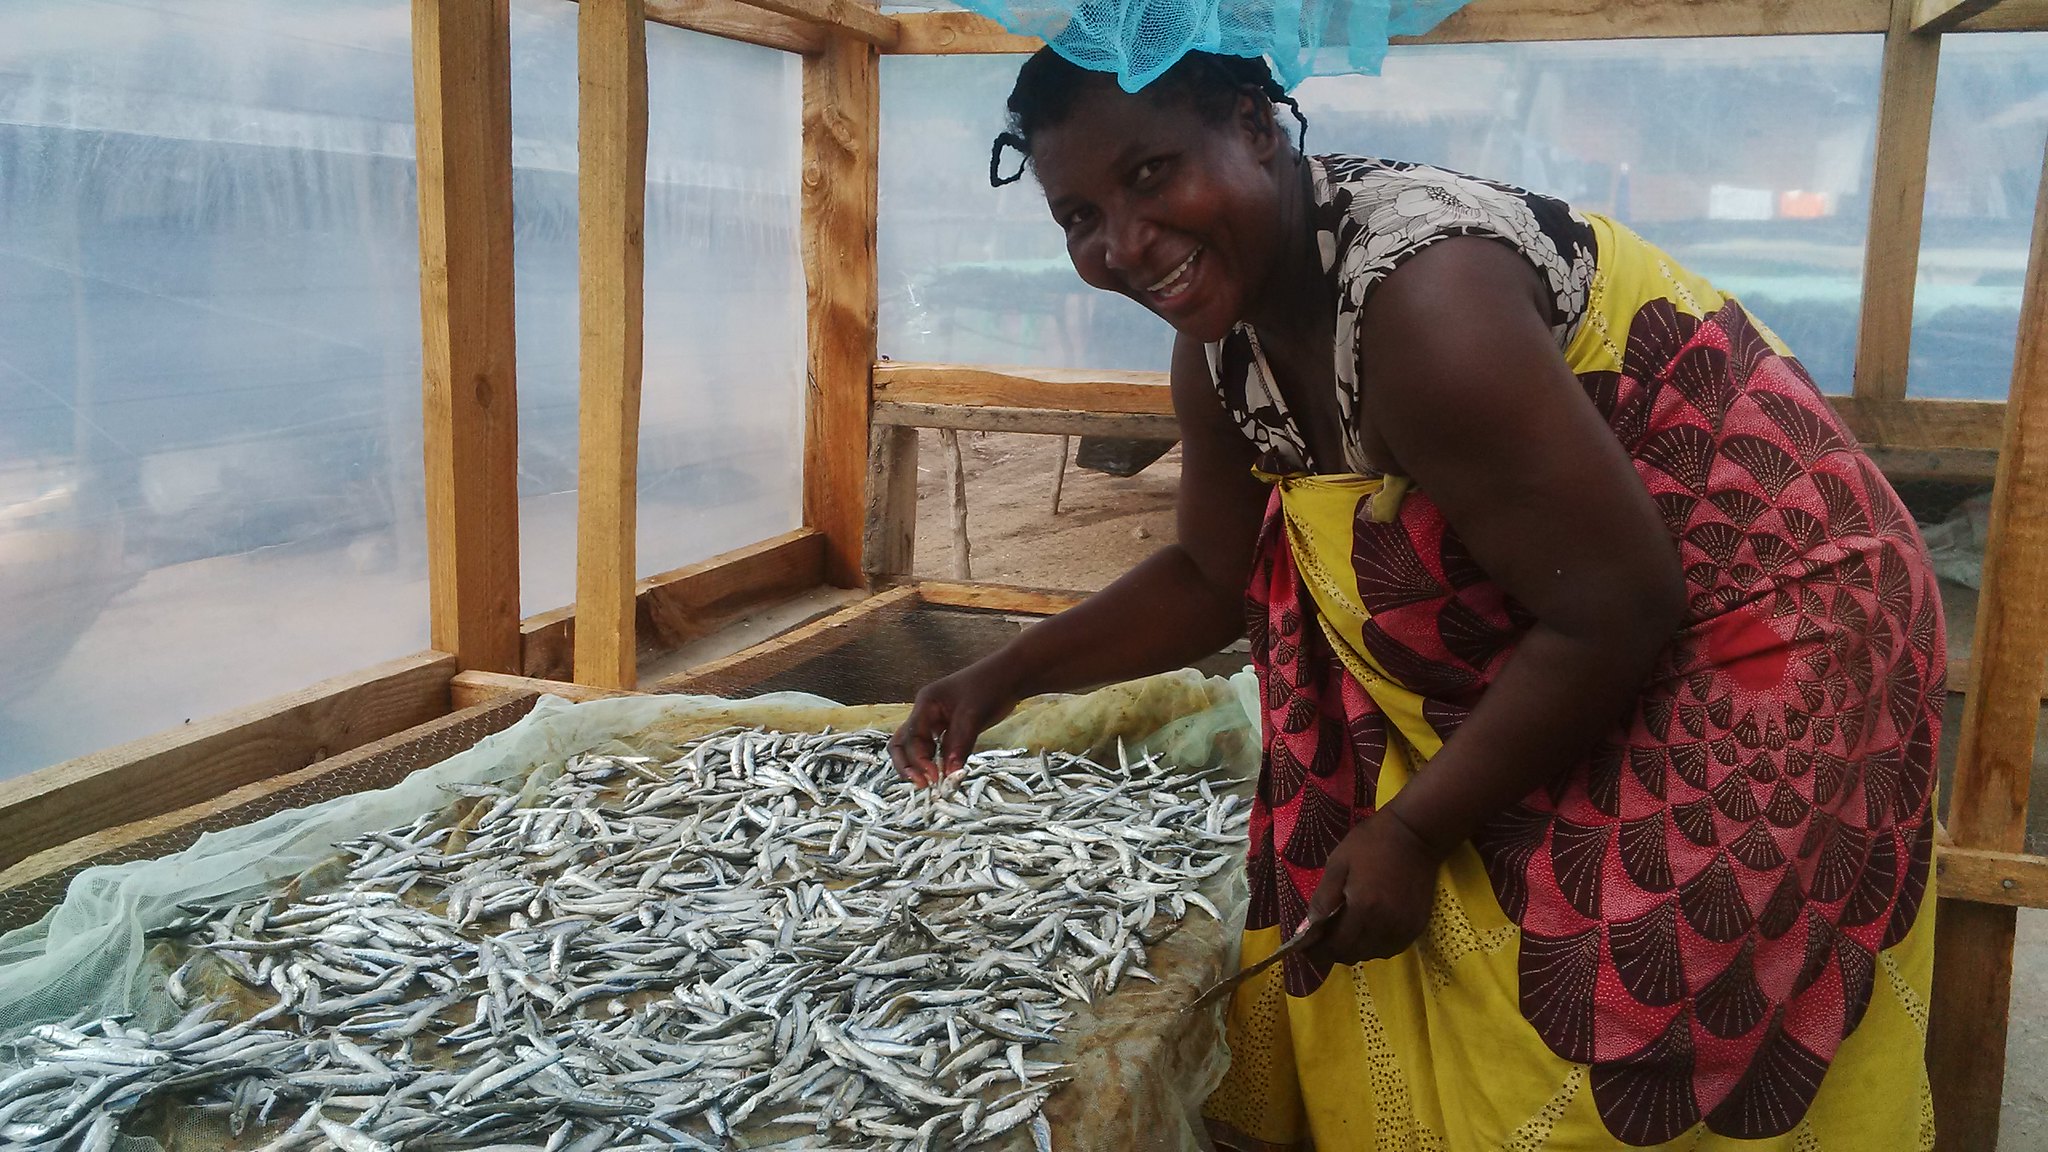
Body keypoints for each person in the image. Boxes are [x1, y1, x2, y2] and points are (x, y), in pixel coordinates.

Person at [888, 46, 1945, 1150]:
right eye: (1077, 216)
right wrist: (1001, 674)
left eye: (1151, 175)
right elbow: (1209, 574)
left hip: (1771, 636)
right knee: (1431, 920)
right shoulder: (1222, 341)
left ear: (1253, 126)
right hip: (1585, 609)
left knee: (1631, 1006)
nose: (1119, 244)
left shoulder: (1424, 300)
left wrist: (1411, 826)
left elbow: (1614, 609)